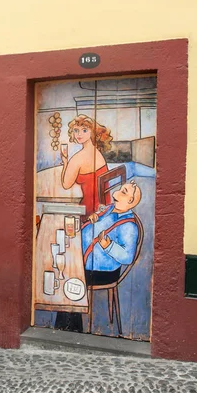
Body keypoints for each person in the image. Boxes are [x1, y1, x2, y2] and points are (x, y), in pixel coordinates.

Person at [54, 181, 142, 332]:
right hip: (86, 259)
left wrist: (108, 245)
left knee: (70, 278)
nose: (116, 193)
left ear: (131, 201)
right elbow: (101, 217)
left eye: (124, 192)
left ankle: (70, 327)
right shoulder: (111, 209)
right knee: (58, 261)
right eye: (120, 189)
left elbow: (128, 257)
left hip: (103, 272)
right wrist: (96, 216)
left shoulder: (129, 227)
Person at [60, 115, 113, 220]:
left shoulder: (77, 159)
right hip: (105, 209)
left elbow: (66, 185)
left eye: (84, 130)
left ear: (92, 132)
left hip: (89, 212)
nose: (79, 134)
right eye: (76, 130)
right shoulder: (97, 153)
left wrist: (65, 163)